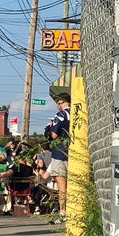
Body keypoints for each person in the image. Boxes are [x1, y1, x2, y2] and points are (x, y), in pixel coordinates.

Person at [46, 92, 71, 222]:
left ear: (61, 102)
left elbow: (54, 135)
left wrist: (49, 129)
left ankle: (63, 213)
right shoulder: (75, 113)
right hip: (72, 152)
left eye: (58, 103)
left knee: (62, 185)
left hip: (60, 152)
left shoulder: (60, 115)